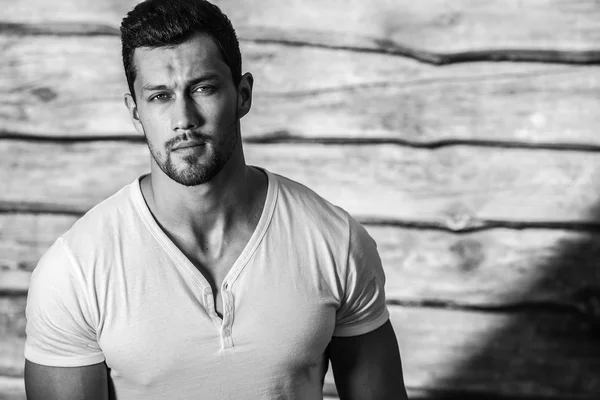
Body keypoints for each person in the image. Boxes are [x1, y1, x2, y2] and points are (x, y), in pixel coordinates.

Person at [23, 0, 408, 399]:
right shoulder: (74, 269)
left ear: (242, 95)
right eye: (159, 96)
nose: (183, 118)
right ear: (135, 111)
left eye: (202, 88)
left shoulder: (334, 241)